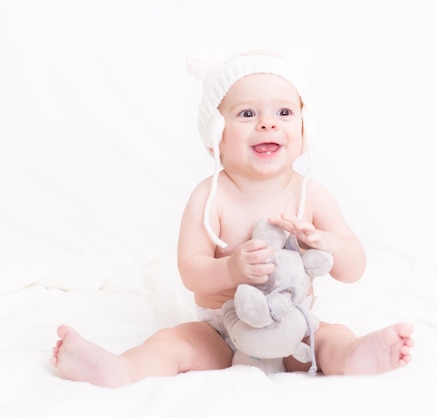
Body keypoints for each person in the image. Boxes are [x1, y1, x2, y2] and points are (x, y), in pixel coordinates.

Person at [51, 51, 415, 387]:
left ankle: (354, 356)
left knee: (331, 337)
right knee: (174, 341)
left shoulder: (312, 194)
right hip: (223, 328)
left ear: (305, 130)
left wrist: (327, 243)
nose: (268, 124)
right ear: (216, 136)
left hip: (294, 326)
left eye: (284, 113)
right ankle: (123, 368)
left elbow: (353, 269)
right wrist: (231, 271)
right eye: (247, 113)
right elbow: (190, 269)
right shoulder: (211, 195)